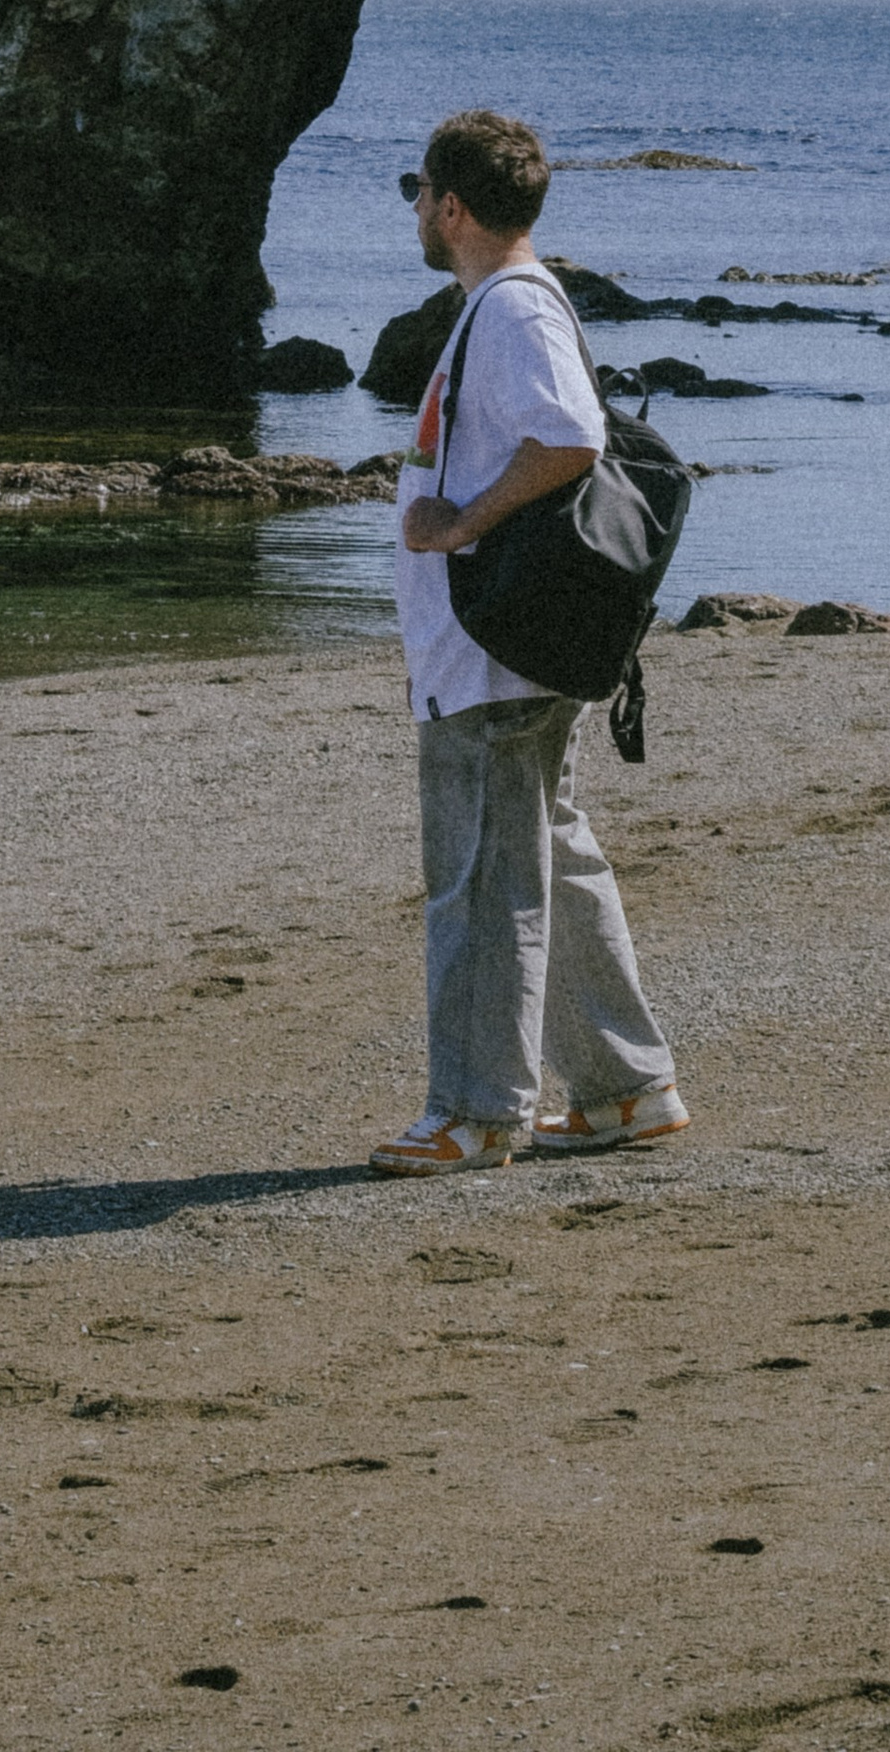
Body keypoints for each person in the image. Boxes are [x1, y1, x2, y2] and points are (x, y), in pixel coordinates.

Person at [367, 106, 689, 1178]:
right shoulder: (507, 304)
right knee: (548, 852)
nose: (416, 210)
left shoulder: (509, 310)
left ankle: (477, 1110)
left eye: (420, 193)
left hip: (491, 650)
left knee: (481, 873)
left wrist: (457, 525)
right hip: (500, 646)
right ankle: (623, 1092)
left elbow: (569, 435)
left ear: (451, 208)